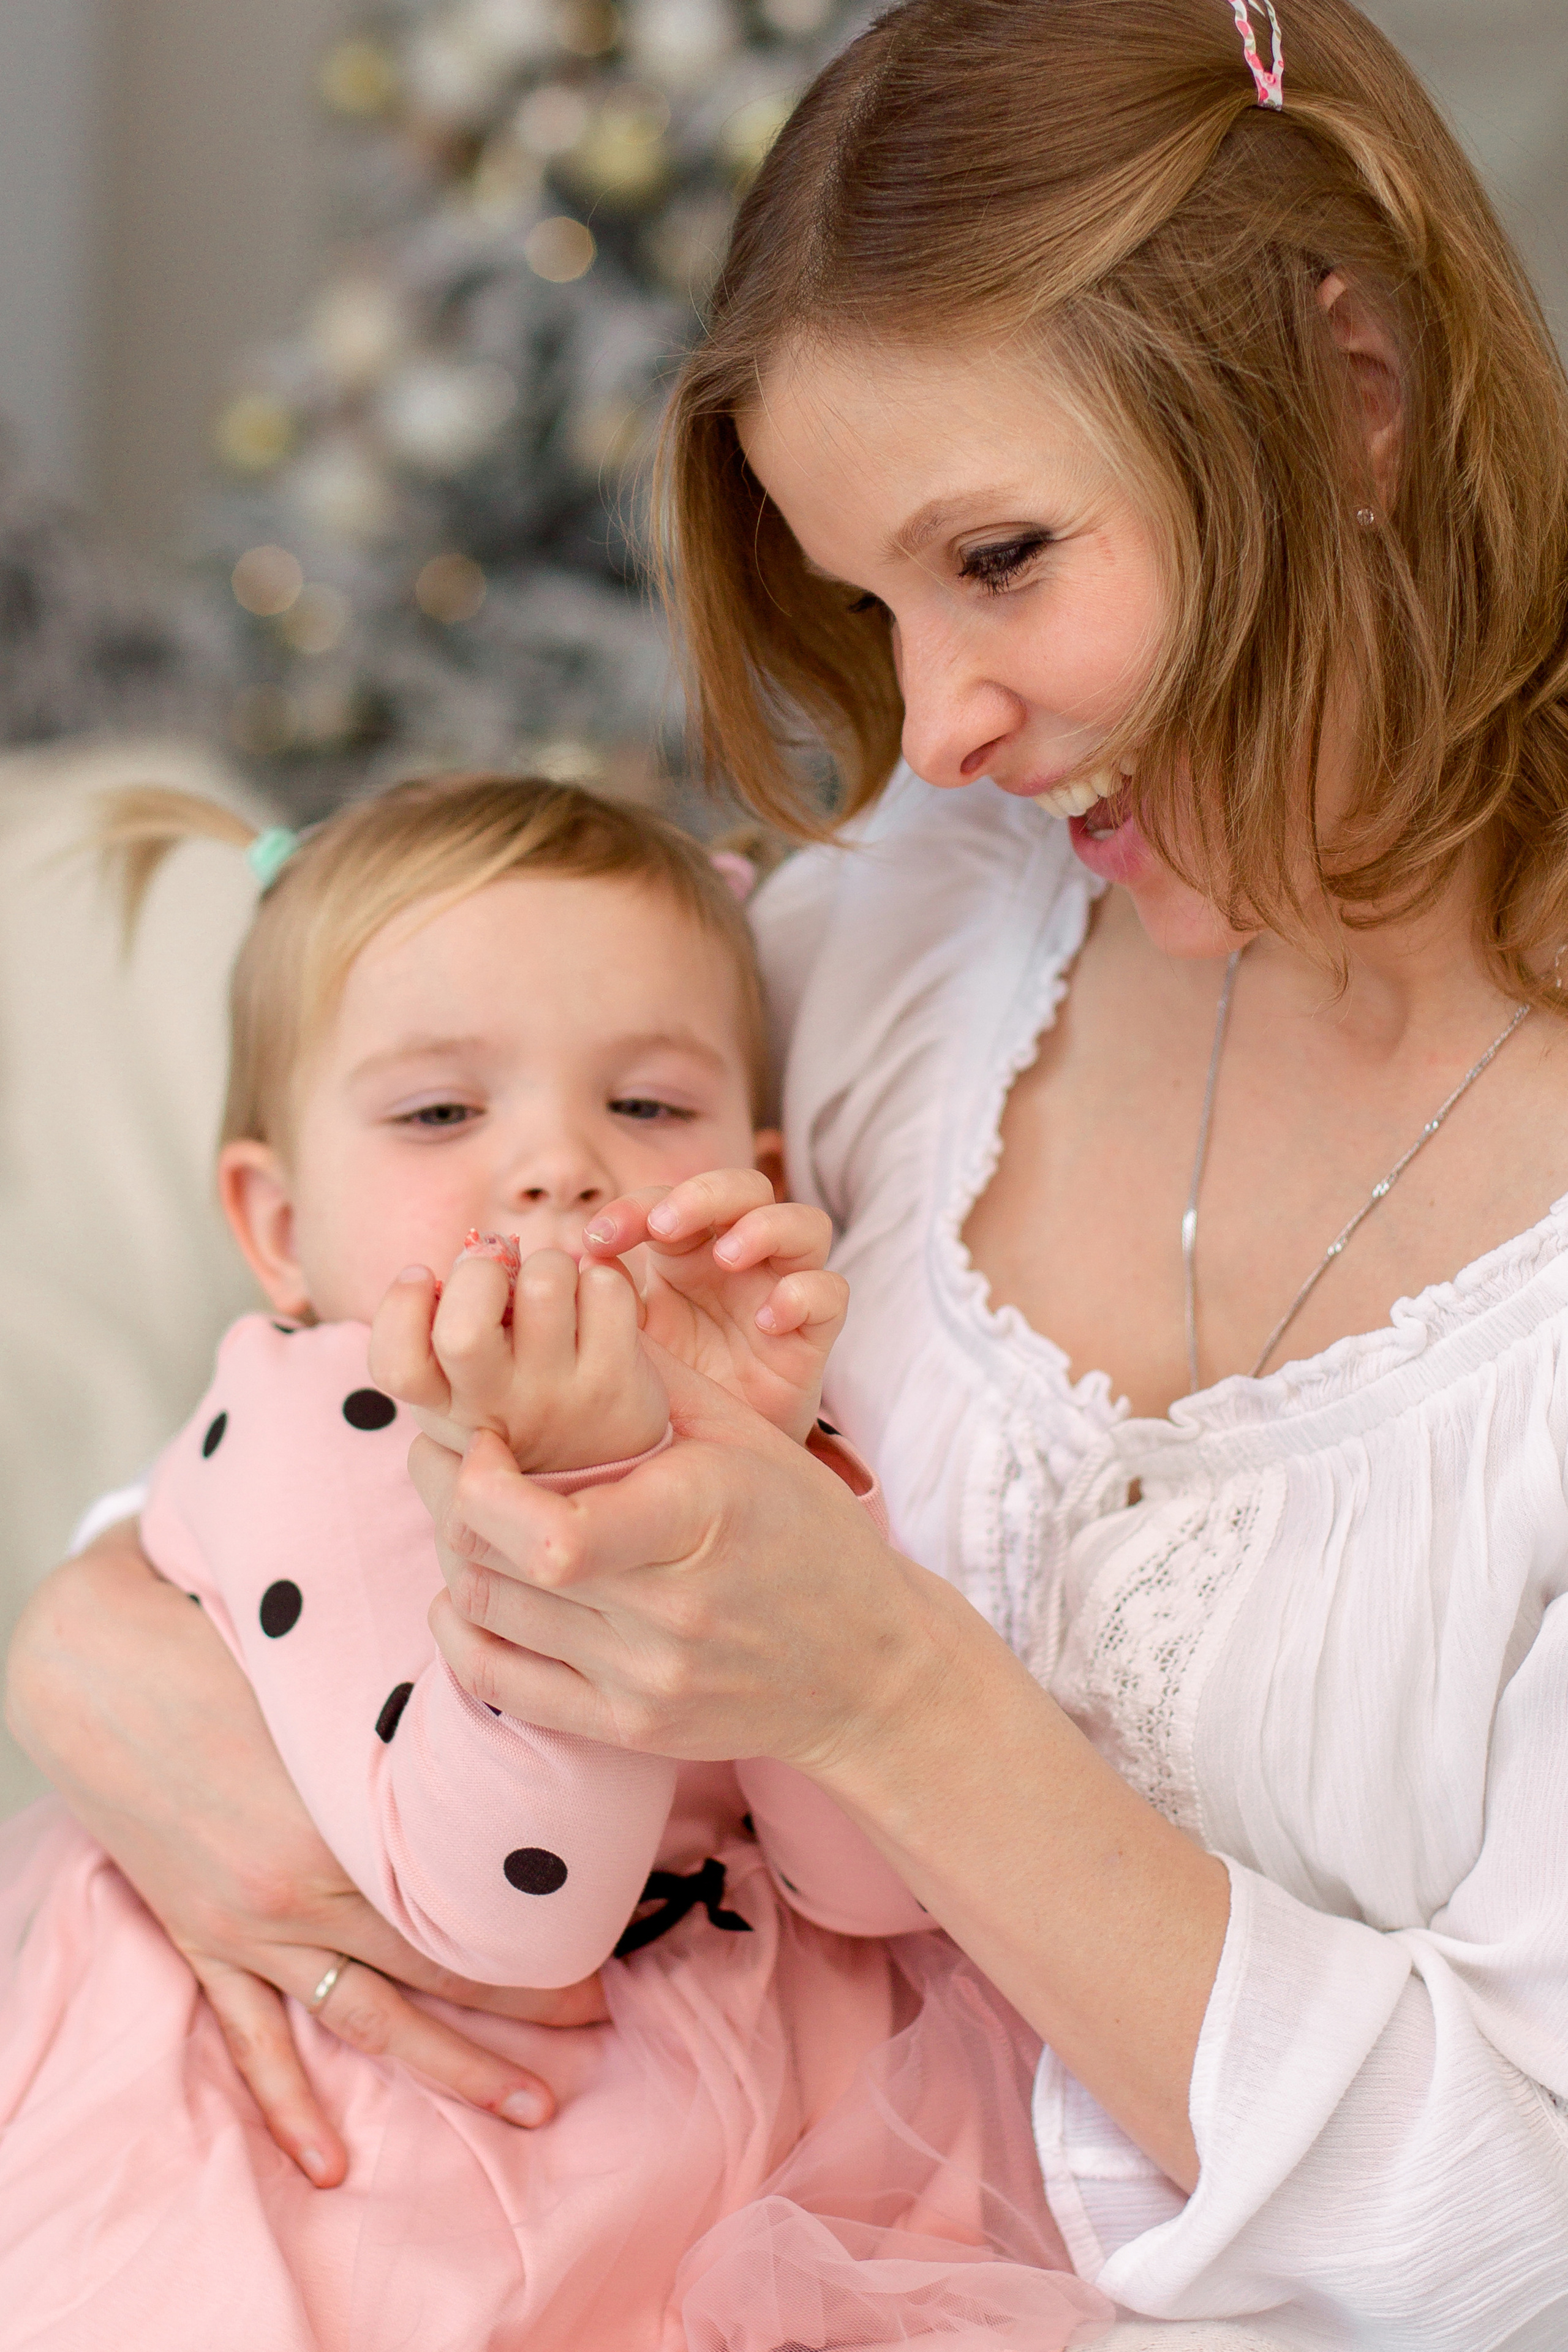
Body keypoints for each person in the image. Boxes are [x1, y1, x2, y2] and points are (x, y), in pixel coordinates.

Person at [10, 0, 1568, 2341]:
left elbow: (1522, 2226)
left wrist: (882, 1697)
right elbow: (368, 1374)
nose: (936, 725)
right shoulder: (918, 944)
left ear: (1352, 388)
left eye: (1003, 557)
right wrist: (94, 1655)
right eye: (873, 610)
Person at [0, 774, 1108, 2349]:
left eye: (646, 1109)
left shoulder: (777, 1402)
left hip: (763, 2096)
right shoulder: (313, 1423)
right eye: (441, 1113)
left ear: (759, 1174)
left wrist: (776, 1472)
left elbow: (863, 1891)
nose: (558, 1170)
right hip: (392, 2148)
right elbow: (508, 1915)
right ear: (275, 1220)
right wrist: (580, 1494)